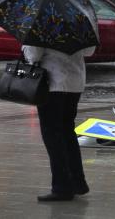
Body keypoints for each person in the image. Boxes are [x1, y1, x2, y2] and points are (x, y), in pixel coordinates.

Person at [22, 45, 95, 201]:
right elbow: (90, 50)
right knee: (68, 132)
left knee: (53, 135)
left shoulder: (44, 20)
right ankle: (77, 182)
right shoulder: (86, 19)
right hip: (75, 81)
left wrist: (25, 49)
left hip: (52, 82)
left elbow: (34, 54)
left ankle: (62, 187)